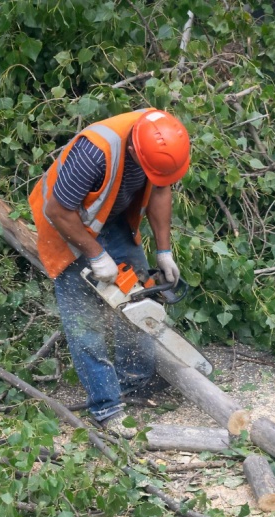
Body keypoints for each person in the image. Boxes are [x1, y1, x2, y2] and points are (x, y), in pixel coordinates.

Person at [29, 108, 190, 437]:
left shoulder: (162, 138)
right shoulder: (93, 151)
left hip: (112, 216)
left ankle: (136, 384)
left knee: (139, 298)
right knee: (85, 320)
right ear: (134, 151)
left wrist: (164, 251)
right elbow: (58, 210)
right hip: (65, 224)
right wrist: (95, 253)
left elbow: (160, 190)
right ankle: (106, 407)